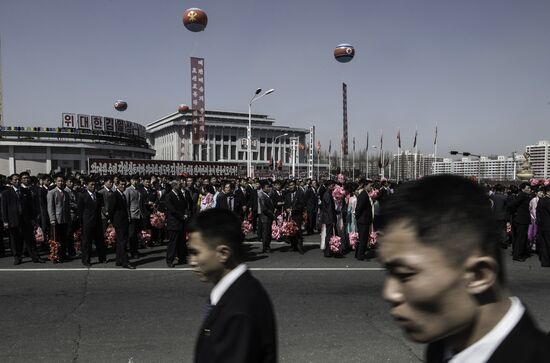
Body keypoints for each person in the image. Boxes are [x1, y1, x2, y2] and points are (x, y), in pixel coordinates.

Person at [379, 174, 550, 362]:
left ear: (479, 275)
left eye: (406, 274)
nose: (390, 293)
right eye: (389, 272)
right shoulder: (443, 344)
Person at [188, 208, 277, 363]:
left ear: (223, 253)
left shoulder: (238, 310)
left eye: (196, 253)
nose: (192, 261)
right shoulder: (240, 291)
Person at [1, 174, 44, 264]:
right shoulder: (6, 193)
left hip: (26, 219)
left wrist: (33, 218)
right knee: (15, 240)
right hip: (13, 220)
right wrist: (5, 221)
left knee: (30, 239)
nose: (17, 181)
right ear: (11, 181)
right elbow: (3, 208)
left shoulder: (26, 191)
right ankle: (17, 257)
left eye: (18, 179)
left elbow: (30, 207)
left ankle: (35, 257)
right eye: (15, 180)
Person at [77, 178, 107, 266]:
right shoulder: (82, 196)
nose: (93, 187)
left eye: (94, 185)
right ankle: (86, 260)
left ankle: (102, 258)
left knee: (100, 241)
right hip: (87, 222)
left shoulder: (99, 195)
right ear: (87, 185)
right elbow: (80, 211)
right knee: (87, 242)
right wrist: (81, 223)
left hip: (97, 221)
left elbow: (101, 208)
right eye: (91, 185)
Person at [109, 178, 135, 269]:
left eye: (124, 184)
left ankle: (119, 260)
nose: (123, 186)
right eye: (121, 184)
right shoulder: (114, 195)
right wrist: (113, 221)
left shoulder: (122, 195)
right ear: (117, 185)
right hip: (119, 222)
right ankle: (125, 261)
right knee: (123, 242)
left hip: (124, 221)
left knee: (121, 241)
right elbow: (111, 210)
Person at [47, 174, 72, 262]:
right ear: (55, 182)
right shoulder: (52, 192)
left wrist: (69, 219)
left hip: (65, 219)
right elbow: (50, 207)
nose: (61, 183)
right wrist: (52, 219)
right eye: (59, 181)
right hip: (56, 220)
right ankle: (55, 256)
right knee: (55, 238)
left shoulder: (66, 192)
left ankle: (63, 255)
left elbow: (68, 207)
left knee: (64, 238)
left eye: (62, 181)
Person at [164, 180, 188, 268]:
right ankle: (169, 260)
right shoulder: (169, 196)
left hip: (181, 222)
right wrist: (182, 216)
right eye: (178, 184)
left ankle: (182, 258)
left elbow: (185, 205)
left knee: (181, 242)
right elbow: (172, 210)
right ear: (174, 186)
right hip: (173, 222)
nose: (180, 185)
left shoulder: (180, 194)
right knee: (172, 243)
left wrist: (185, 213)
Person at [508, 182, 532, 261]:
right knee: (520, 238)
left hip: (522, 219)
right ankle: (517, 256)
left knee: (521, 238)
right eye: (527, 188)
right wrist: (515, 212)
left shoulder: (524, 195)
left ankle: (520, 254)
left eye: (529, 188)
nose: (529, 190)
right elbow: (512, 205)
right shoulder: (522, 195)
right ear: (522, 189)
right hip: (521, 219)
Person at [354, 178, 374, 261]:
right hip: (363, 220)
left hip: (364, 219)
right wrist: (358, 217)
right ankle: (360, 255)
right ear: (365, 186)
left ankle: (358, 253)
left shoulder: (365, 194)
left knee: (362, 237)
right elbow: (358, 208)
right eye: (370, 186)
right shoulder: (363, 195)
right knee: (363, 238)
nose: (371, 188)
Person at [258, 180, 275, 253]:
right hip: (265, 217)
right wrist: (272, 214)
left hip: (268, 217)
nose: (269, 188)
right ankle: (265, 247)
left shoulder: (267, 195)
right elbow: (264, 208)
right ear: (263, 188)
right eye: (267, 187)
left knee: (268, 232)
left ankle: (267, 246)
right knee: (265, 233)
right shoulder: (262, 196)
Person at [536, 185, 550, 267]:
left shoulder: (541, 201)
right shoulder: (548, 201)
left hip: (542, 226)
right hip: (548, 226)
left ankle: (545, 262)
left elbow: (537, 213)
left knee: (544, 244)